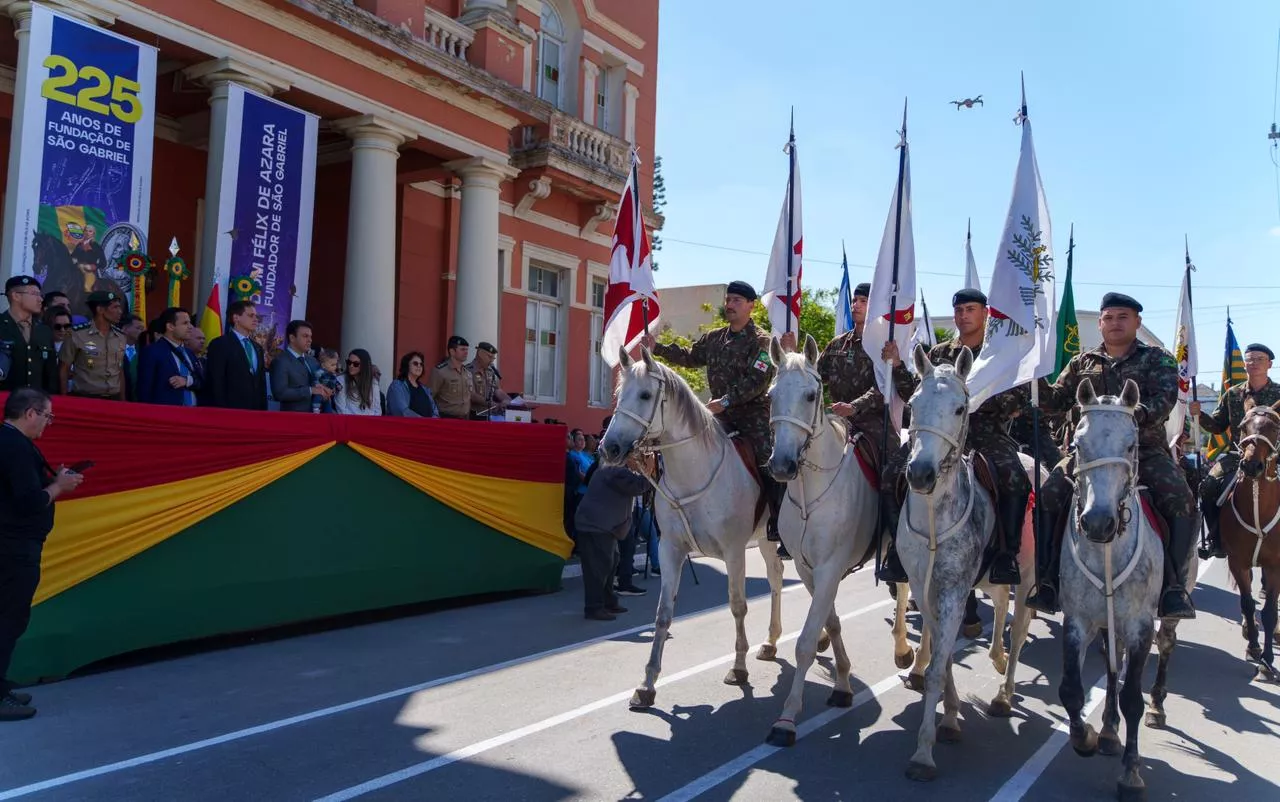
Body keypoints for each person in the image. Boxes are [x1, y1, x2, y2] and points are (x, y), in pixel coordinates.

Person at [1030, 293, 1197, 619]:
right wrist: (1033, 378)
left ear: (1137, 322)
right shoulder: (1082, 363)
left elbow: (1165, 399)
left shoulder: (1158, 359)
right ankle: (1048, 580)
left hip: (1142, 452)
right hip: (1090, 455)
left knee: (1181, 498)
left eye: (1123, 317)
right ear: (1101, 323)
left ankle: (1174, 588)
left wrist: (1131, 415)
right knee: (1049, 495)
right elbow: (1057, 401)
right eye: (1108, 318)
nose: (1114, 323)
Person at [880, 288, 1031, 585]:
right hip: (937, 435)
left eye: (970, 309)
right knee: (891, 474)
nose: (963, 316)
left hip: (985, 433)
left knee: (1015, 478)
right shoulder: (938, 354)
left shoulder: (998, 353)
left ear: (985, 313)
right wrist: (897, 366)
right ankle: (898, 551)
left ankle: (1006, 555)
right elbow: (917, 393)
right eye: (959, 310)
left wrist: (978, 400)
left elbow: (1017, 394)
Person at [642, 280, 785, 557]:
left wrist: (726, 401)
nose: (730, 305)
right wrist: (657, 348)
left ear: (751, 306)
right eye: (728, 300)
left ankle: (777, 521)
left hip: (752, 417)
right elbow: (689, 357)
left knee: (769, 460)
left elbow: (757, 381)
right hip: (717, 415)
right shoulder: (714, 338)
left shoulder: (763, 342)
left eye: (736, 301)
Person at [0, 389, 85, 721]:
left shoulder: (10, 441)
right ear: (31, 413)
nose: (48, 423)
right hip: (15, 546)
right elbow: (27, 502)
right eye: (48, 416)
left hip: (9, 543)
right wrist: (58, 487)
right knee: (9, 619)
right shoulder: (16, 446)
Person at [1192, 342, 1280, 559]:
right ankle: (1216, 539)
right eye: (1249, 359)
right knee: (1208, 487)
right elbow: (1218, 426)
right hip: (1238, 457)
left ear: (1269, 364)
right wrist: (1199, 415)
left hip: (1275, 457)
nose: (1254, 363)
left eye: (1259, 359)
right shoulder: (1233, 394)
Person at [574, 452, 651, 620]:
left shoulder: (612, 468)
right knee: (598, 567)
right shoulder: (615, 470)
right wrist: (648, 470)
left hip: (601, 525)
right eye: (635, 457)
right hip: (595, 525)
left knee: (611, 562)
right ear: (625, 458)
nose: (637, 461)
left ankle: (608, 601)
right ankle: (594, 607)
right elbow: (638, 486)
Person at [60, 290, 128, 400]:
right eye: (115, 307)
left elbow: (119, 370)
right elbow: (64, 368)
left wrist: (122, 400)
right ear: (100, 310)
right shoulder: (77, 334)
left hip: (114, 398)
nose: (120, 311)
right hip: (86, 398)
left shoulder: (120, 336)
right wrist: (64, 399)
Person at [204, 300, 268, 410]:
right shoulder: (220, 344)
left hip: (254, 411)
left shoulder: (258, 347)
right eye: (251, 315)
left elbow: (261, 382)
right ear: (236, 318)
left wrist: (262, 410)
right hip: (230, 410)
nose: (256, 319)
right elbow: (216, 381)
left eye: (256, 316)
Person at [0, 276, 59, 394]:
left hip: (36, 400)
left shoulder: (44, 330)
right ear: (16, 296)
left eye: (40, 295)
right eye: (34, 294)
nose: (40, 299)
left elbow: (51, 373)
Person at [135, 307, 199, 406]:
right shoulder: (152, 351)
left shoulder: (189, 353)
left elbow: (202, 380)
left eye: (190, 323)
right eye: (185, 323)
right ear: (170, 326)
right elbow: (144, 389)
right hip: (165, 413)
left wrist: (187, 381)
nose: (191, 327)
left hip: (193, 413)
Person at [269, 320, 330, 413]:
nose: (310, 340)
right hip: (294, 418)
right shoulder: (280, 361)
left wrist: (326, 389)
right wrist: (310, 390)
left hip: (317, 417)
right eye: (305, 336)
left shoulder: (313, 360)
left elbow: (319, 382)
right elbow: (280, 393)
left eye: (310, 336)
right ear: (292, 338)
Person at [430, 335, 473, 420]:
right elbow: (430, 396)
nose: (466, 352)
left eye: (467, 350)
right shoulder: (440, 371)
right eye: (462, 349)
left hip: (465, 419)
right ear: (452, 351)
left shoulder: (467, 373)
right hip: (446, 418)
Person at [387, 352, 440, 418]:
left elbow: (435, 411)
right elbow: (401, 411)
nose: (419, 366)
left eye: (421, 364)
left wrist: (432, 422)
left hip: (428, 424)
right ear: (407, 365)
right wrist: (423, 421)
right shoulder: (397, 386)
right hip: (407, 424)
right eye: (415, 363)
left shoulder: (425, 389)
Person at [335, 348, 382, 416]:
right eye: (349, 362)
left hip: (369, 421)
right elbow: (341, 409)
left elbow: (377, 410)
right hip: (349, 420)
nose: (351, 366)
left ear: (364, 365)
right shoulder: (341, 380)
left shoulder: (373, 382)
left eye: (356, 364)